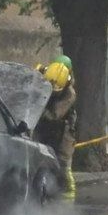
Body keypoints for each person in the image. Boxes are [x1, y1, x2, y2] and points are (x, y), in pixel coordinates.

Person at [33, 61, 77, 200]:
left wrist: (38, 107)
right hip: (42, 127)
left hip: (63, 130)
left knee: (62, 164)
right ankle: (44, 194)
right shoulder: (45, 75)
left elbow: (53, 115)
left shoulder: (69, 94)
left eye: (56, 90)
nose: (52, 91)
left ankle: (66, 198)